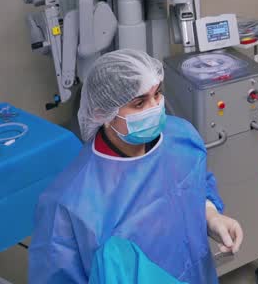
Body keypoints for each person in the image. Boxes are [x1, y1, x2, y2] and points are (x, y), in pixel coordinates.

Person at [30, 49, 244, 284]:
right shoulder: (70, 203)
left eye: (157, 93)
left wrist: (210, 216)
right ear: (103, 114)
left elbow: (197, 184)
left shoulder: (181, 137)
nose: (155, 107)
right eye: (140, 103)